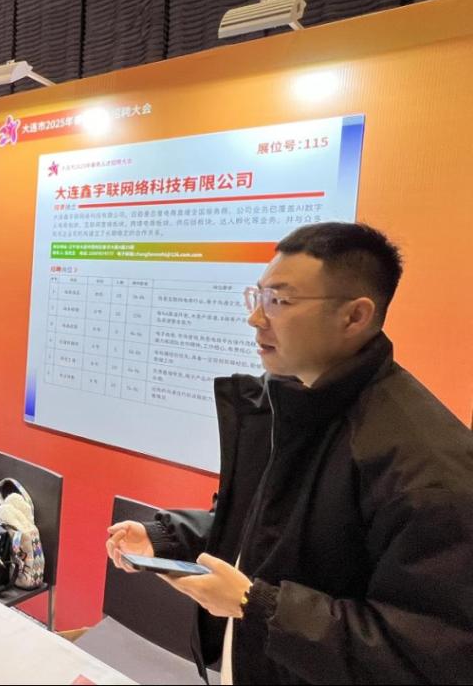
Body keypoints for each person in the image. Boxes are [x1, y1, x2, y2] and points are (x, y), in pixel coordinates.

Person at [105, 222, 473, 684]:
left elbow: (424, 653)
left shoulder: (427, 468)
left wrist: (256, 606)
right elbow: (272, 530)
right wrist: (170, 537)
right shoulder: (289, 404)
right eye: (257, 297)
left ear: (355, 316)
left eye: (279, 301)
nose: (256, 319)